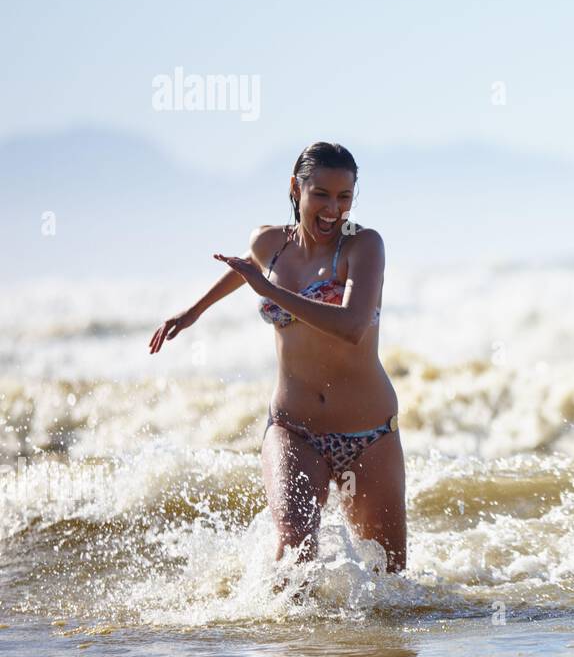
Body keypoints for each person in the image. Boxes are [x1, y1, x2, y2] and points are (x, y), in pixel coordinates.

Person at [148, 141, 406, 574]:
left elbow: (351, 326)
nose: (333, 210)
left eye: (345, 197)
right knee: (294, 553)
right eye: (321, 194)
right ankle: (285, 643)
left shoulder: (364, 247)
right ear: (295, 188)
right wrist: (194, 310)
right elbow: (248, 265)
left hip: (369, 435)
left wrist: (268, 291)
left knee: (390, 579)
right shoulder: (270, 242)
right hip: (293, 427)